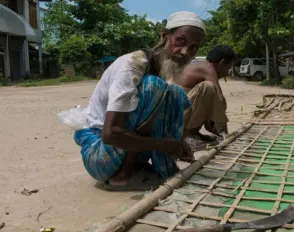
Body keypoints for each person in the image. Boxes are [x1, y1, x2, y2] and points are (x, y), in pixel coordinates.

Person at [73, 11, 206, 191]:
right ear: (165, 36)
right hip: (99, 155)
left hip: (121, 150)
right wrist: (164, 144)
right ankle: (124, 175)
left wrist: (178, 143)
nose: (185, 52)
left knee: (174, 94)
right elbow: (110, 134)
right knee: (155, 87)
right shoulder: (132, 64)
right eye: (180, 41)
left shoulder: (159, 70)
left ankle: (157, 167)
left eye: (193, 47)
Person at [178, 45, 235, 150]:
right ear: (222, 63)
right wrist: (223, 131)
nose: (229, 71)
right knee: (207, 87)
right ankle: (186, 134)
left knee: (210, 98)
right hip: (175, 117)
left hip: (180, 115)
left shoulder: (203, 68)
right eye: (229, 67)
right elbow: (220, 100)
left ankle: (194, 132)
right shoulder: (207, 68)